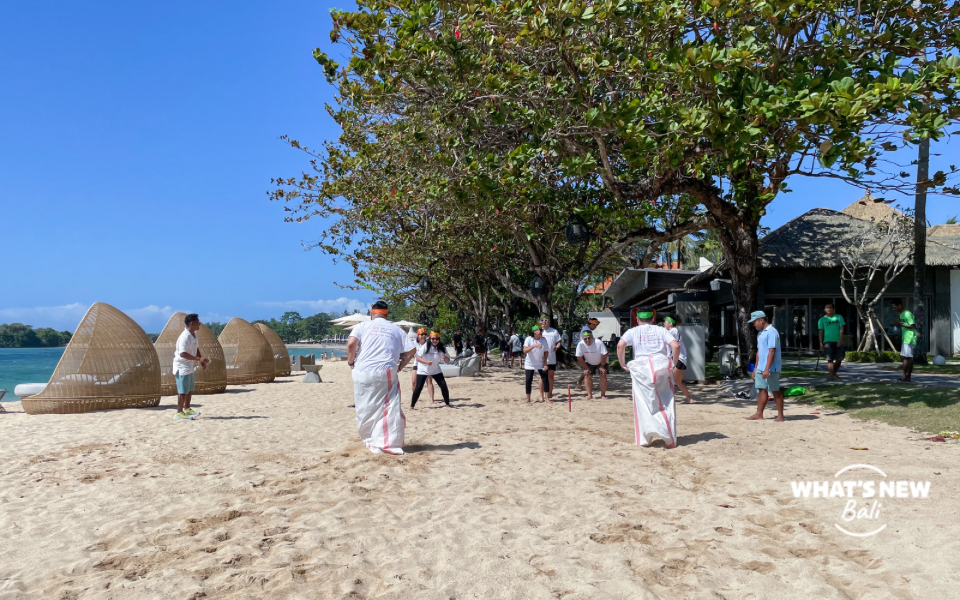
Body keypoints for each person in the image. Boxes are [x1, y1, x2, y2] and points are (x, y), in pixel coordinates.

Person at [347, 301, 417, 455]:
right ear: (387, 314)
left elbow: (351, 344)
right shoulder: (396, 329)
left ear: (371, 314)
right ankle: (386, 443)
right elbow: (412, 350)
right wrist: (401, 366)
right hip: (385, 371)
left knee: (365, 407)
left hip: (362, 372)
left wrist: (351, 362)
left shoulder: (362, 326)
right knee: (388, 406)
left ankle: (369, 439)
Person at [616, 309, 680, 447]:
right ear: (652, 319)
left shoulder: (633, 331)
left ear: (637, 320)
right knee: (666, 400)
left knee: (642, 403)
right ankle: (669, 439)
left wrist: (623, 364)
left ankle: (644, 440)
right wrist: (674, 362)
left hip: (641, 369)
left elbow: (620, 345)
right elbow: (675, 345)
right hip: (661, 365)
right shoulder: (661, 330)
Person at [745, 311, 785, 422]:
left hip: (771, 368)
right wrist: (756, 367)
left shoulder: (772, 332)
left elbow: (771, 351)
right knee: (761, 389)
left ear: (761, 320)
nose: (754, 325)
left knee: (775, 390)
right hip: (761, 367)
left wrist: (767, 369)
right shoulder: (760, 333)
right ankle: (759, 413)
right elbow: (759, 351)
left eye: (754, 322)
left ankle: (781, 415)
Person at [173, 313, 210, 420]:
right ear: (192, 323)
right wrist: (199, 359)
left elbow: (196, 348)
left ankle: (187, 409)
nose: (199, 324)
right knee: (182, 391)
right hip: (182, 366)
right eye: (198, 322)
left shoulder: (194, 334)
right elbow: (182, 354)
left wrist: (201, 360)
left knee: (189, 389)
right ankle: (179, 412)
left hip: (189, 365)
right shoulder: (184, 337)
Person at [411, 331, 452, 408]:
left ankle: (447, 404)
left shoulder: (442, 348)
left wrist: (445, 357)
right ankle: (412, 406)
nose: (435, 340)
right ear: (430, 339)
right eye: (433, 339)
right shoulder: (426, 346)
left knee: (443, 386)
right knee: (418, 387)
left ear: (439, 340)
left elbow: (448, 361)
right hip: (423, 370)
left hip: (436, 370)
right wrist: (426, 362)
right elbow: (418, 358)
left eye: (436, 339)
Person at [663, 317, 693, 404]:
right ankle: (689, 399)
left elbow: (671, 345)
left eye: (665, 322)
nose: (664, 323)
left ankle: (666, 400)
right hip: (680, 359)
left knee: (669, 379)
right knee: (678, 382)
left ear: (670, 323)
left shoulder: (673, 331)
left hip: (678, 359)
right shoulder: (671, 331)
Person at [575, 329, 608, 400]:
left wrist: (602, 365)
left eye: (589, 338)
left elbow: (605, 354)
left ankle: (603, 395)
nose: (587, 340)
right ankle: (589, 395)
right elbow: (579, 357)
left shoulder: (598, 342)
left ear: (592, 337)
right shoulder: (580, 344)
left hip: (601, 361)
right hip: (589, 361)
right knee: (587, 375)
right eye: (585, 339)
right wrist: (586, 367)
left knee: (603, 374)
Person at [890, 299, 918, 383]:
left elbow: (913, 326)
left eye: (895, 307)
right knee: (904, 357)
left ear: (900, 305)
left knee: (907, 357)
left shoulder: (907, 314)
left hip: (909, 338)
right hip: (905, 338)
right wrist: (897, 324)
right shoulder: (901, 314)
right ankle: (906, 376)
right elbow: (903, 325)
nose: (894, 309)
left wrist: (900, 324)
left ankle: (906, 376)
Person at [818, 303, 846, 381]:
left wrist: (840, 340)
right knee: (829, 359)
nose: (829, 309)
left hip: (837, 341)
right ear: (824, 310)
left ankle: (833, 373)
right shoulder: (822, 320)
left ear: (833, 309)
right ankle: (832, 375)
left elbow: (842, 330)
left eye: (830, 308)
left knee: (839, 359)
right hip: (827, 342)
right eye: (827, 308)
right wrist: (821, 343)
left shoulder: (839, 317)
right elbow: (821, 332)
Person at [523, 325, 550, 402]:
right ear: (534, 332)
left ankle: (547, 398)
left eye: (541, 330)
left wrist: (545, 362)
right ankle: (528, 399)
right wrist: (534, 346)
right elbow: (525, 351)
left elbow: (546, 352)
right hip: (529, 364)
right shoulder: (529, 339)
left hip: (540, 363)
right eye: (539, 330)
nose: (541, 332)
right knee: (528, 380)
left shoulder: (544, 340)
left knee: (545, 379)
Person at [576, 318, 602, 390]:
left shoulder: (587, 329)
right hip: (586, 351)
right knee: (588, 369)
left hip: (586, 351)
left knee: (588, 369)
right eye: (595, 325)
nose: (595, 327)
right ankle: (580, 383)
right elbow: (585, 341)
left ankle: (581, 383)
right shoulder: (586, 330)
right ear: (591, 324)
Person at [539, 314, 562, 394]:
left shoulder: (554, 331)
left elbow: (558, 342)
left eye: (546, 320)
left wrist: (556, 347)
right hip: (541, 358)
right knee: (542, 377)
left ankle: (550, 393)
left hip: (551, 357)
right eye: (542, 320)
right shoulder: (538, 331)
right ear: (539, 321)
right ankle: (541, 395)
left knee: (551, 375)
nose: (544, 322)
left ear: (549, 322)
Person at [410, 329, 434, 402]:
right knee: (414, 382)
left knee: (429, 381)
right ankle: (414, 397)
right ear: (418, 336)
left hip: (426, 364)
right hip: (416, 364)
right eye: (421, 334)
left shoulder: (429, 344)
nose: (423, 336)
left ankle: (432, 399)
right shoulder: (414, 343)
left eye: (424, 334)